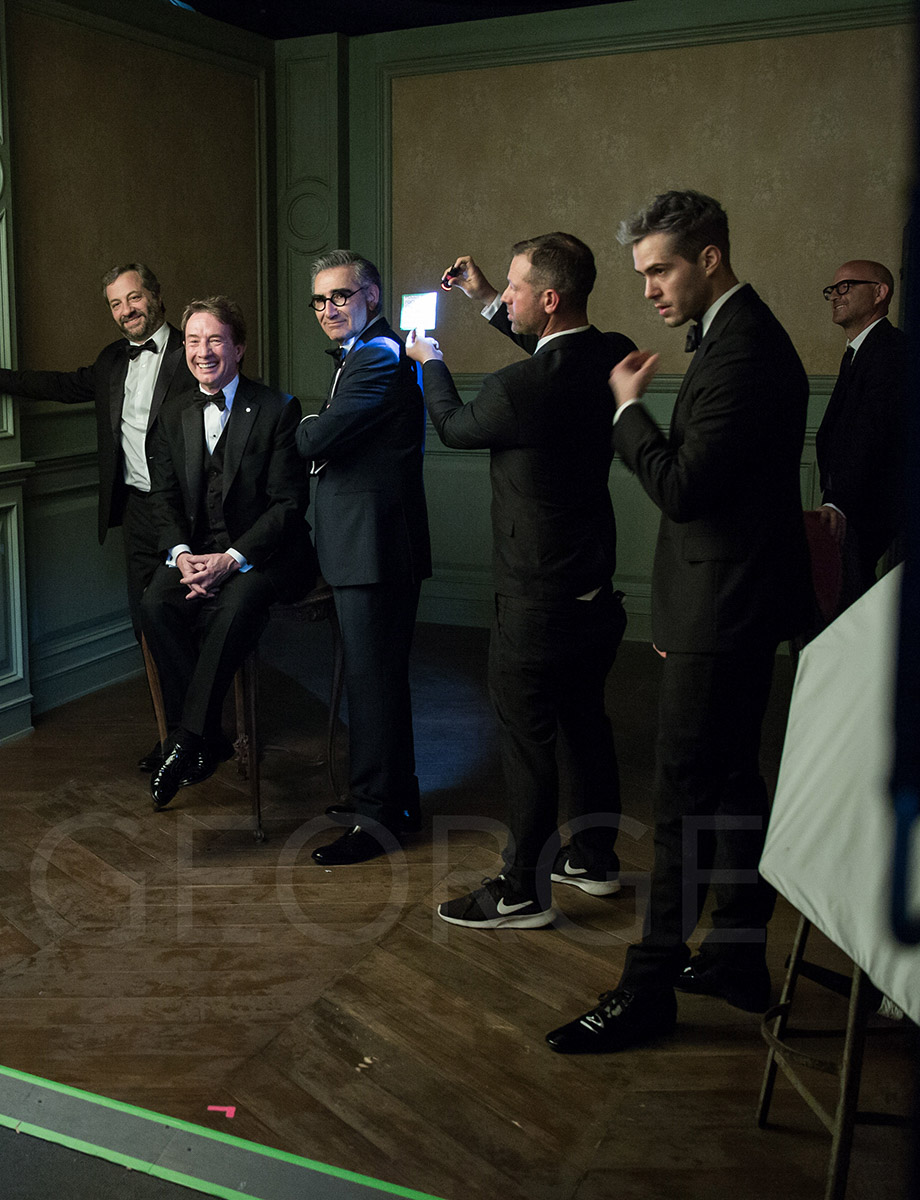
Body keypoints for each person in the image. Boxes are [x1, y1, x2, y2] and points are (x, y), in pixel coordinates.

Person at [548, 190, 810, 1054]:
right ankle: (737, 956)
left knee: (683, 801)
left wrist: (626, 410)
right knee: (732, 784)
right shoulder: (735, 337)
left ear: (708, 257)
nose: (650, 289)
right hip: (723, 601)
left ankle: (649, 987)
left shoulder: (745, 351)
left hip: (723, 608)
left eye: (660, 269)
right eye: (642, 273)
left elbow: (682, 489)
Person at [406, 233, 634, 927]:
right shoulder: (608, 350)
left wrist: (430, 360)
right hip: (596, 589)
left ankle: (520, 891)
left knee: (527, 739)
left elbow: (452, 426)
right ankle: (594, 857)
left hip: (535, 600)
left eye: (512, 288)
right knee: (585, 722)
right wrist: (480, 299)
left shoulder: (516, 389)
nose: (504, 295)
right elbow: (551, 354)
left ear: (551, 297)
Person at [0, 265, 195, 772]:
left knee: (189, 622)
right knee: (146, 625)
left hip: (190, 512)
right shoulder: (112, 360)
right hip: (137, 512)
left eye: (134, 298)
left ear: (156, 296)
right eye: (116, 304)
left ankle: (200, 733)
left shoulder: (192, 349)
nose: (126, 310)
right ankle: (173, 735)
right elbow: (64, 386)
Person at [139, 296, 315, 809]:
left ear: (238, 346)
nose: (202, 351)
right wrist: (180, 554)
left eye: (215, 339)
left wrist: (232, 559)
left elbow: (287, 505)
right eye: (193, 341)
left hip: (269, 554)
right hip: (198, 553)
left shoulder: (278, 409)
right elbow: (164, 497)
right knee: (154, 603)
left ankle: (189, 740)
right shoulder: (174, 413)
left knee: (236, 607)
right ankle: (208, 736)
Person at [298, 249, 431, 866]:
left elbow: (318, 437)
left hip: (374, 548)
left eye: (341, 296)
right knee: (375, 682)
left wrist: (301, 425)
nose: (329, 309)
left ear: (371, 297)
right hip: (367, 545)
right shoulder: (369, 351)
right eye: (320, 300)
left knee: (373, 686)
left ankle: (378, 821)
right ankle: (393, 803)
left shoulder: (376, 354)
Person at [817, 258, 908, 608]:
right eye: (832, 289)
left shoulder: (891, 351)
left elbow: (872, 433)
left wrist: (838, 499)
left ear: (879, 293)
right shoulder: (859, 351)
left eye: (846, 286)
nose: (836, 296)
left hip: (861, 508)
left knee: (848, 605)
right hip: (847, 503)